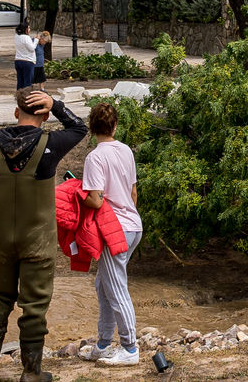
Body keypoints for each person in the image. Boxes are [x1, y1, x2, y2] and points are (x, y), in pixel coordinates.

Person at [0, 87, 88, 382]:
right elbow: (80, 127)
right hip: (37, 240)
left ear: (15, 112)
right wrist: (57, 104)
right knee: (33, 305)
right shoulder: (51, 143)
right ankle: (31, 372)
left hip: (1, 240)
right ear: (44, 116)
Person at [79, 103, 142, 366]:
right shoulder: (125, 150)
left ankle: (129, 348)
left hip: (113, 230)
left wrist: (77, 198)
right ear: (114, 126)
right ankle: (103, 343)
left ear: (92, 128)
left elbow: (94, 199)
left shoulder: (95, 157)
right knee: (104, 285)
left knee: (116, 288)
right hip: (133, 226)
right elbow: (133, 193)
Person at [14, 23, 38, 90]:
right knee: (27, 82)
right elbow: (32, 48)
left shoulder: (16, 36)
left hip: (18, 60)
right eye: (29, 28)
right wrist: (36, 41)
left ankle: (19, 96)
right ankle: (26, 97)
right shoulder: (26, 37)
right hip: (27, 62)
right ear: (25, 29)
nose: (29, 30)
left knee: (20, 81)